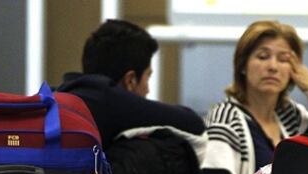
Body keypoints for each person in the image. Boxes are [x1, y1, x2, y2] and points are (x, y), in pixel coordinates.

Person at [202, 20, 308, 174]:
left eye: (283, 59)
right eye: (262, 57)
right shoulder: (225, 118)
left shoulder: (292, 118)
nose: (273, 66)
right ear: (242, 65)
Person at [57, 19, 205, 147]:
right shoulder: (111, 101)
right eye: (148, 77)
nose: (147, 90)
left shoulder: (59, 94)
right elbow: (192, 123)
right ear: (130, 80)